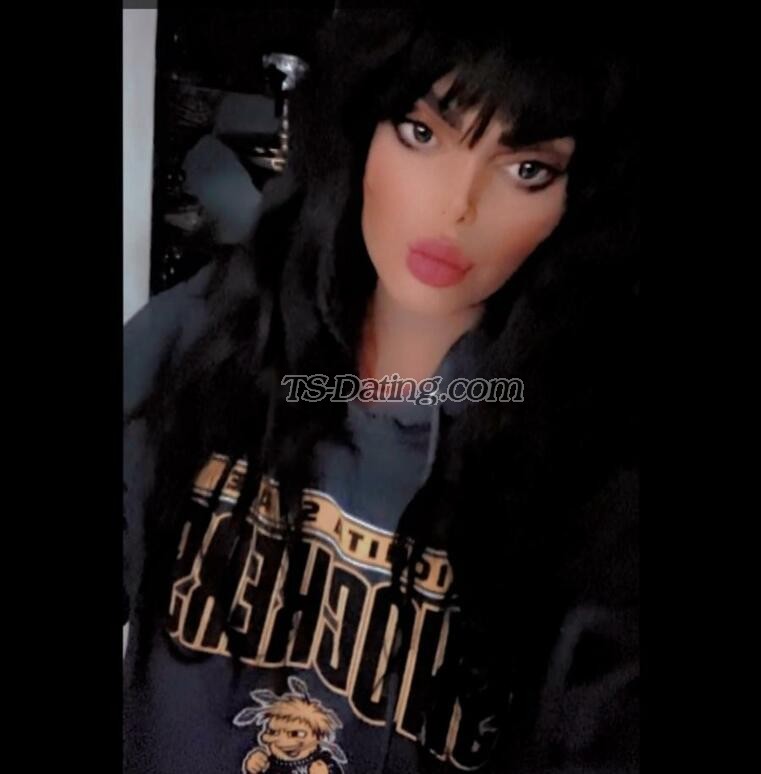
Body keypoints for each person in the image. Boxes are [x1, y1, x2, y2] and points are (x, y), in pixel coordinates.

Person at [123, 9, 639, 773]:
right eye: (422, 133)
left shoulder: (590, 468)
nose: (457, 206)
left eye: (527, 169)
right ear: (360, 130)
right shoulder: (200, 340)